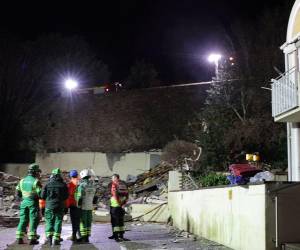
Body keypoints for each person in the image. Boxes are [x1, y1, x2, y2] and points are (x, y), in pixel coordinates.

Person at [15, 163, 42, 245]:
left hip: (24, 203)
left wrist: (23, 198)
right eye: (38, 172)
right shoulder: (36, 181)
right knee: (33, 219)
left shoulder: (22, 181)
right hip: (33, 203)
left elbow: (17, 193)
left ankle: (19, 238)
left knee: (23, 219)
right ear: (35, 172)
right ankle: (32, 238)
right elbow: (40, 194)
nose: (39, 174)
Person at [41, 168, 68, 246]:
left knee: (49, 221)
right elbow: (66, 197)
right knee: (58, 221)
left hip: (49, 206)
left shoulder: (47, 184)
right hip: (60, 206)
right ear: (60, 175)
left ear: (52, 175)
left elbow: (42, 196)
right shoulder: (63, 185)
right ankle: (56, 239)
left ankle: (49, 238)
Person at [75, 168, 96, 243]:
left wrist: (78, 206)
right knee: (88, 222)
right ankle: (87, 237)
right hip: (90, 207)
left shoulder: (82, 185)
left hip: (83, 207)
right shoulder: (93, 185)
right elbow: (95, 197)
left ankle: (83, 238)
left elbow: (79, 197)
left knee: (82, 222)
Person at [108, 173, 129, 242]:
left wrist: (119, 203)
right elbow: (127, 195)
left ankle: (116, 236)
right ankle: (121, 236)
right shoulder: (124, 184)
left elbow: (115, 195)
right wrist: (123, 204)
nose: (112, 179)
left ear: (116, 178)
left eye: (113, 178)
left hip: (115, 206)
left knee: (115, 222)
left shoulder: (114, 185)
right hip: (121, 206)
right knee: (121, 221)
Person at [66, 169, 81, 242]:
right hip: (79, 205)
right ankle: (78, 235)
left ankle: (74, 236)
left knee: (74, 221)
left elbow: (70, 195)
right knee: (78, 221)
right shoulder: (79, 182)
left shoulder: (71, 184)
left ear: (70, 176)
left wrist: (67, 205)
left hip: (73, 205)